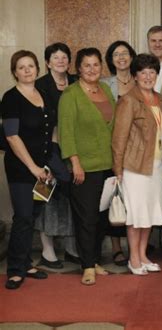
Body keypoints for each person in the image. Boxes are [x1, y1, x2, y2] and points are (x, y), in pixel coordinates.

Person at [58, 47, 116, 286]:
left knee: (101, 218)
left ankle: (94, 259)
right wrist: (75, 163)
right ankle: (87, 266)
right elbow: (66, 133)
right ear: (78, 69)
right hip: (84, 167)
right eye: (87, 65)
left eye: (96, 64)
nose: (92, 69)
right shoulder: (70, 94)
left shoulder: (105, 90)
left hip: (107, 165)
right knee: (87, 218)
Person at [112, 54, 162, 275]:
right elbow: (119, 138)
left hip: (155, 166)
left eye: (152, 72)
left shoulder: (160, 99)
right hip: (134, 167)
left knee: (150, 213)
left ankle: (144, 255)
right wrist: (118, 170)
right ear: (135, 76)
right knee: (136, 215)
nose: (148, 76)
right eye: (143, 72)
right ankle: (133, 258)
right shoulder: (128, 100)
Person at [2, 50, 52, 289]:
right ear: (14, 72)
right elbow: (11, 136)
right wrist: (32, 167)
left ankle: (26, 263)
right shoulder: (10, 98)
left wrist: (48, 166)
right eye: (21, 67)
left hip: (44, 172)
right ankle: (14, 269)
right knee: (22, 217)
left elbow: (50, 131)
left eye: (30, 66)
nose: (27, 70)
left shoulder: (42, 94)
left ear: (37, 69)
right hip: (22, 170)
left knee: (33, 214)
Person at [35, 42, 79, 269]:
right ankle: (47, 251)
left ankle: (72, 249)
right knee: (45, 198)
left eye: (64, 57)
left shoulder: (76, 82)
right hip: (46, 151)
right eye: (56, 57)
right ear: (47, 62)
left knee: (72, 198)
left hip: (72, 150)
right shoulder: (39, 85)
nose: (61, 61)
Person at [102, 40, 137, 267]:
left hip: (136, 149)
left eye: (125, 53)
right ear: (111, 60)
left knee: (134, 200)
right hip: (111, 147)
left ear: (132, 57)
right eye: (116, 54)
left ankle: (135, 247)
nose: (121, 57)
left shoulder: (141, 80)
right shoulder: (105, 84)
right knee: (114, 197)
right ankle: (116, 248)